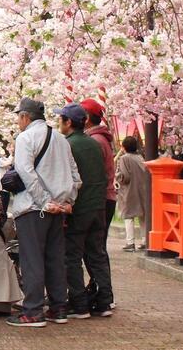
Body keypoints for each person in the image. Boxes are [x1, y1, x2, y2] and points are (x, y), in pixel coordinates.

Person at [6, 98, 80, 327]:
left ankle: (33, 310)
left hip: (33, 208)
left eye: (18, 116)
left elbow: (25, 172)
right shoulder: (60, 139)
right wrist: (67, 201)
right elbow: (75, 176)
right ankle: (58, 307)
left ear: (25, 117)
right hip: (59, 209)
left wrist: (45, 201)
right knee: (55, 258)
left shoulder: (25, 138)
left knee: (32, 259)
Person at [54, 102, 114, 318]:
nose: (58, 122)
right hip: (98, 206)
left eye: (60, 119)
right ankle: (105, 301)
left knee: (72, 255)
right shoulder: (94, 143)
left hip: (79, 208)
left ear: (68, 122)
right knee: (96, 254)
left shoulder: (67, 144)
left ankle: (79, 304)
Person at [116, 136, 150, 251]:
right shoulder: (140, 157)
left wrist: (117, 177)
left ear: (124, 147)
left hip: (130, 190)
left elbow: (125, 177)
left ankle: (130, 243)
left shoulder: (124, 158)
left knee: (128, 216)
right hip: (143, 189)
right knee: (143, 216)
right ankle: (145, 241)